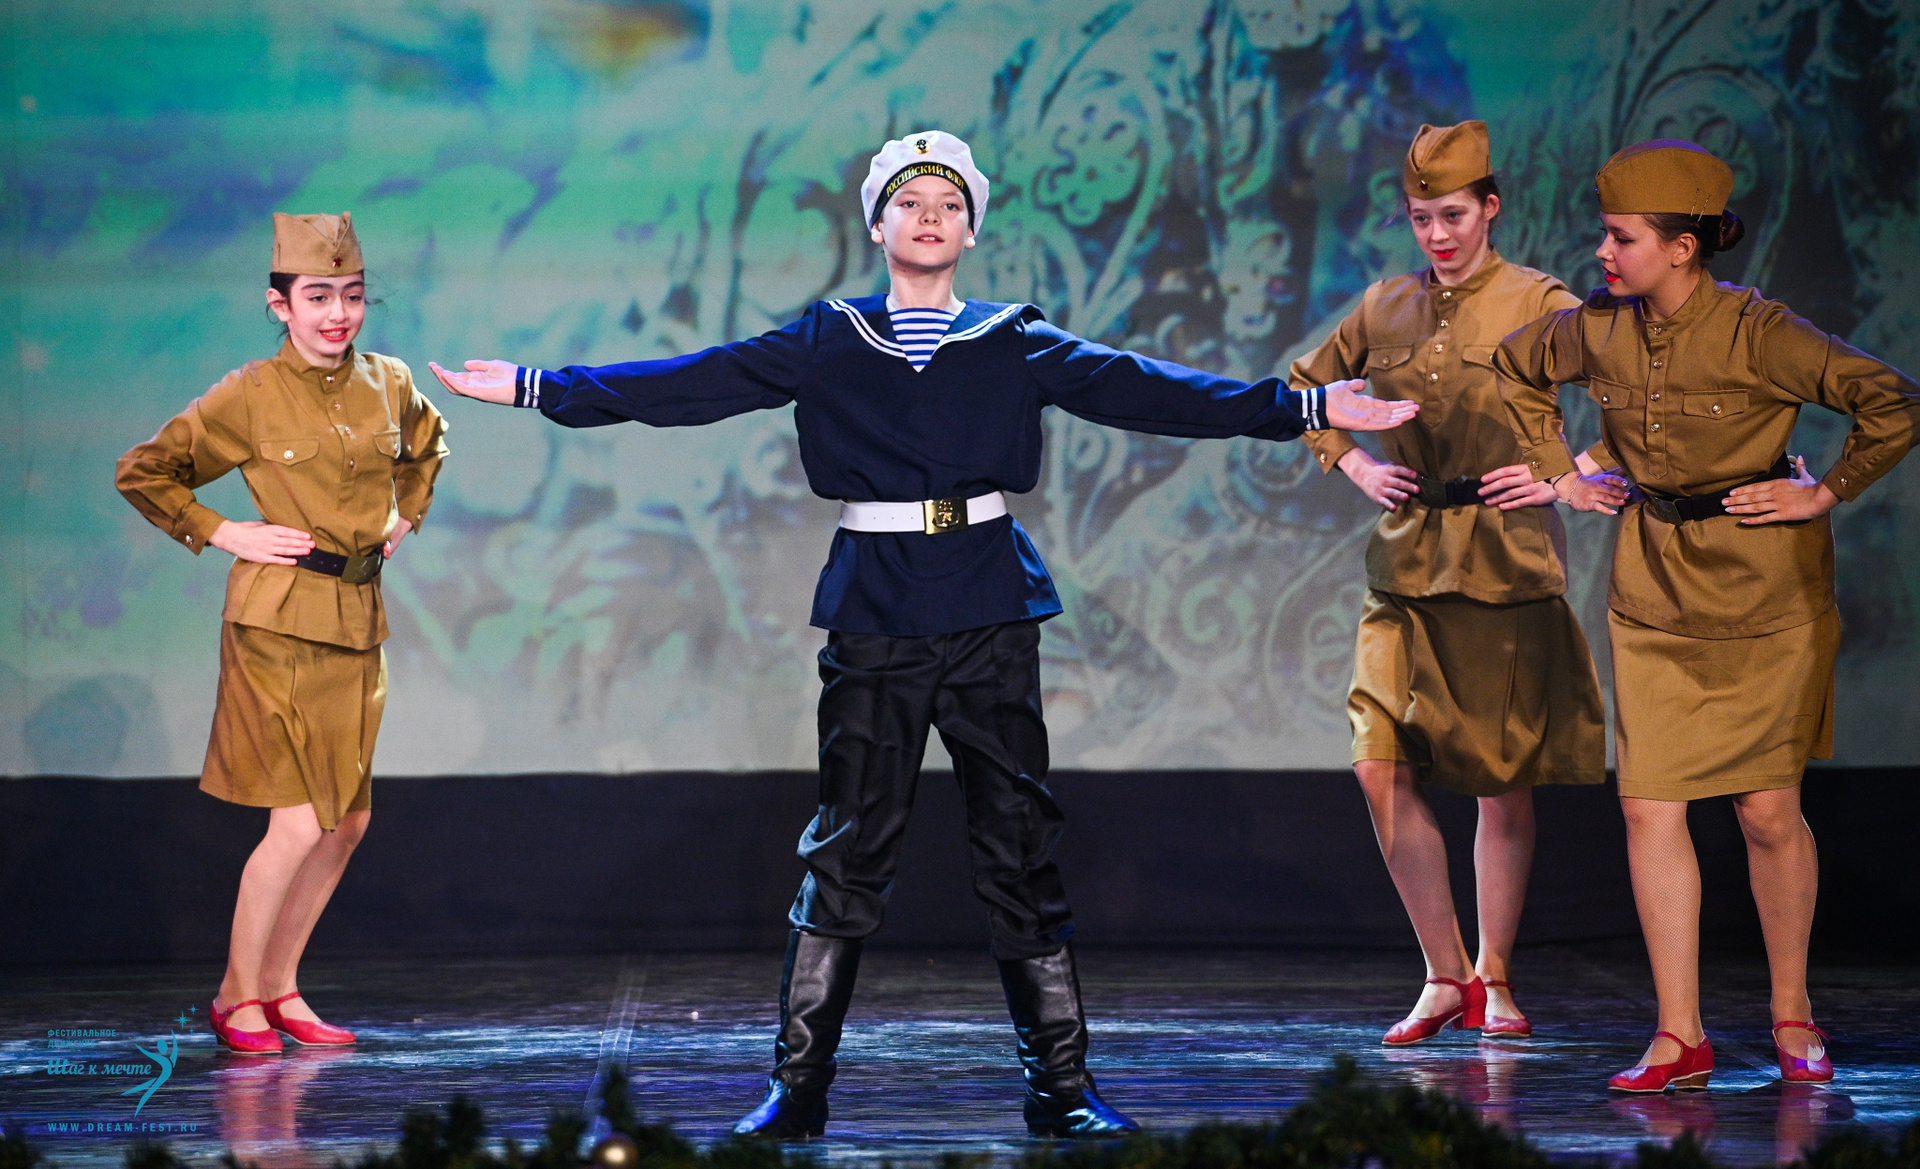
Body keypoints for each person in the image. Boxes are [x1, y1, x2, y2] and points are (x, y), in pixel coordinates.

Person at [430, 130, 1416, 1138]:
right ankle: (798, 1090)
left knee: (1018, 844)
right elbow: (694, 382)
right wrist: (541, 387)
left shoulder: (1013, 337)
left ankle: (1061, 1087)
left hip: (988, 604)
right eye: (910, 201)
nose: (931, 216)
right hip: (876, 608)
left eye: (949, 203)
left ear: (972, 228)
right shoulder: (830, 337)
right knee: (848, 847)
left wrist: (1298, 406)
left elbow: (1141, 388)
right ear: (878, 224)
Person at [1497, 139, 1920, 1091]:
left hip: (1767, 598)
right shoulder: (1596, 327)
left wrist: (1825, 491)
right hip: (1653, 590)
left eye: (1621, 238)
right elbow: (1515, 367)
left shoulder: (1762, 334)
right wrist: (1563, 473)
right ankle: (1679, 1034)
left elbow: (1893, 402)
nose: (1602, 252)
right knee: (1648, 805)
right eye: (1605, 235)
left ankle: (1792, 1010)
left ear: (1683, 247)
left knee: (1767, 811)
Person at [1293, 121, 1607, 1046]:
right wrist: (1354, 463)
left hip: (1506, 560)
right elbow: (1309, 388)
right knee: (1377, 766)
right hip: (1404, 561)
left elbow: (1637, 393)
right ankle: (1444, 973)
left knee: (1501, 782)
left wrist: (1564, 476)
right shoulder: (1384, 306)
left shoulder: (1539, 302)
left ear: (1491, 208)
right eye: (1422, 218)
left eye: (1455, 216)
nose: (1438, 234)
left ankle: (1494, 974)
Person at [116, 213, 449, 1055]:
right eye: (318, 296)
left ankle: (281, 985)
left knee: (347, 823)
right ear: (280, 305)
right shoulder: (251, 394)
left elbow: (428, 445)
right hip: (278, 623)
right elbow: (144, 471)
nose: (338, 314)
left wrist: (406, 515)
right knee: (299, 823)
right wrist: (224, 530)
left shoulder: (389, 381)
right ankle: (236, 995)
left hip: (358, 620)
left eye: (352, 296)